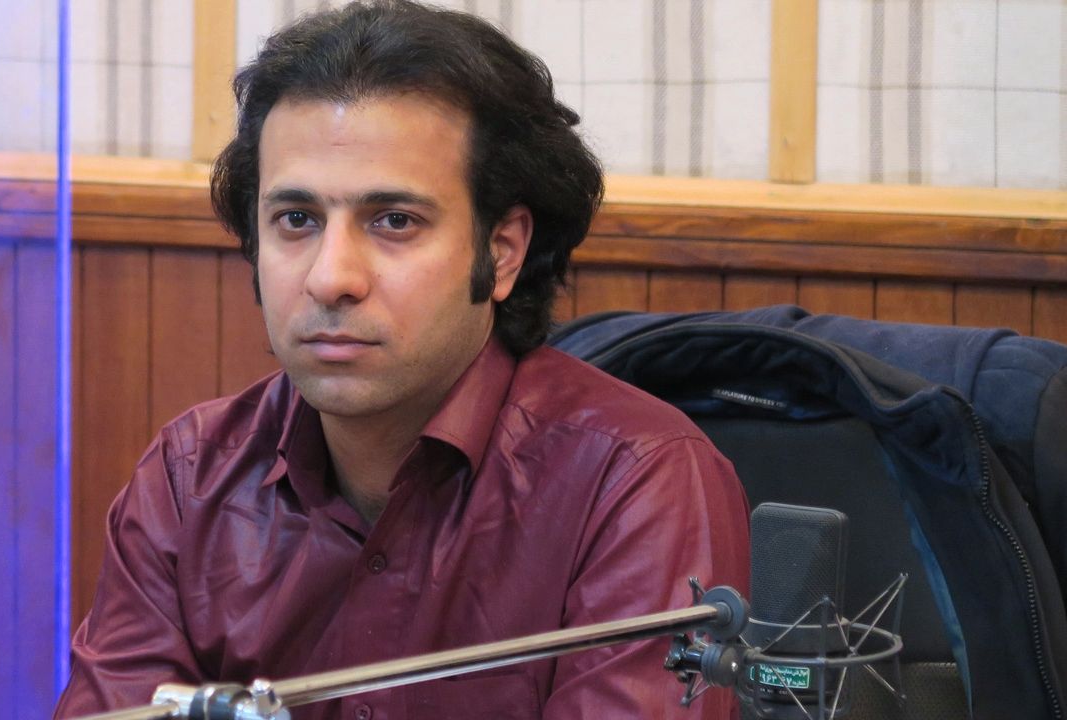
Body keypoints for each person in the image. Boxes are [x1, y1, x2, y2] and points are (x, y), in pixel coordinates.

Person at [54, 2, 749, 718]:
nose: (331, 277)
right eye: (297, 220)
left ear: (501, 251)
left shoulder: (634, 480)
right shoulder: (191, 475)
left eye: (395, 221)